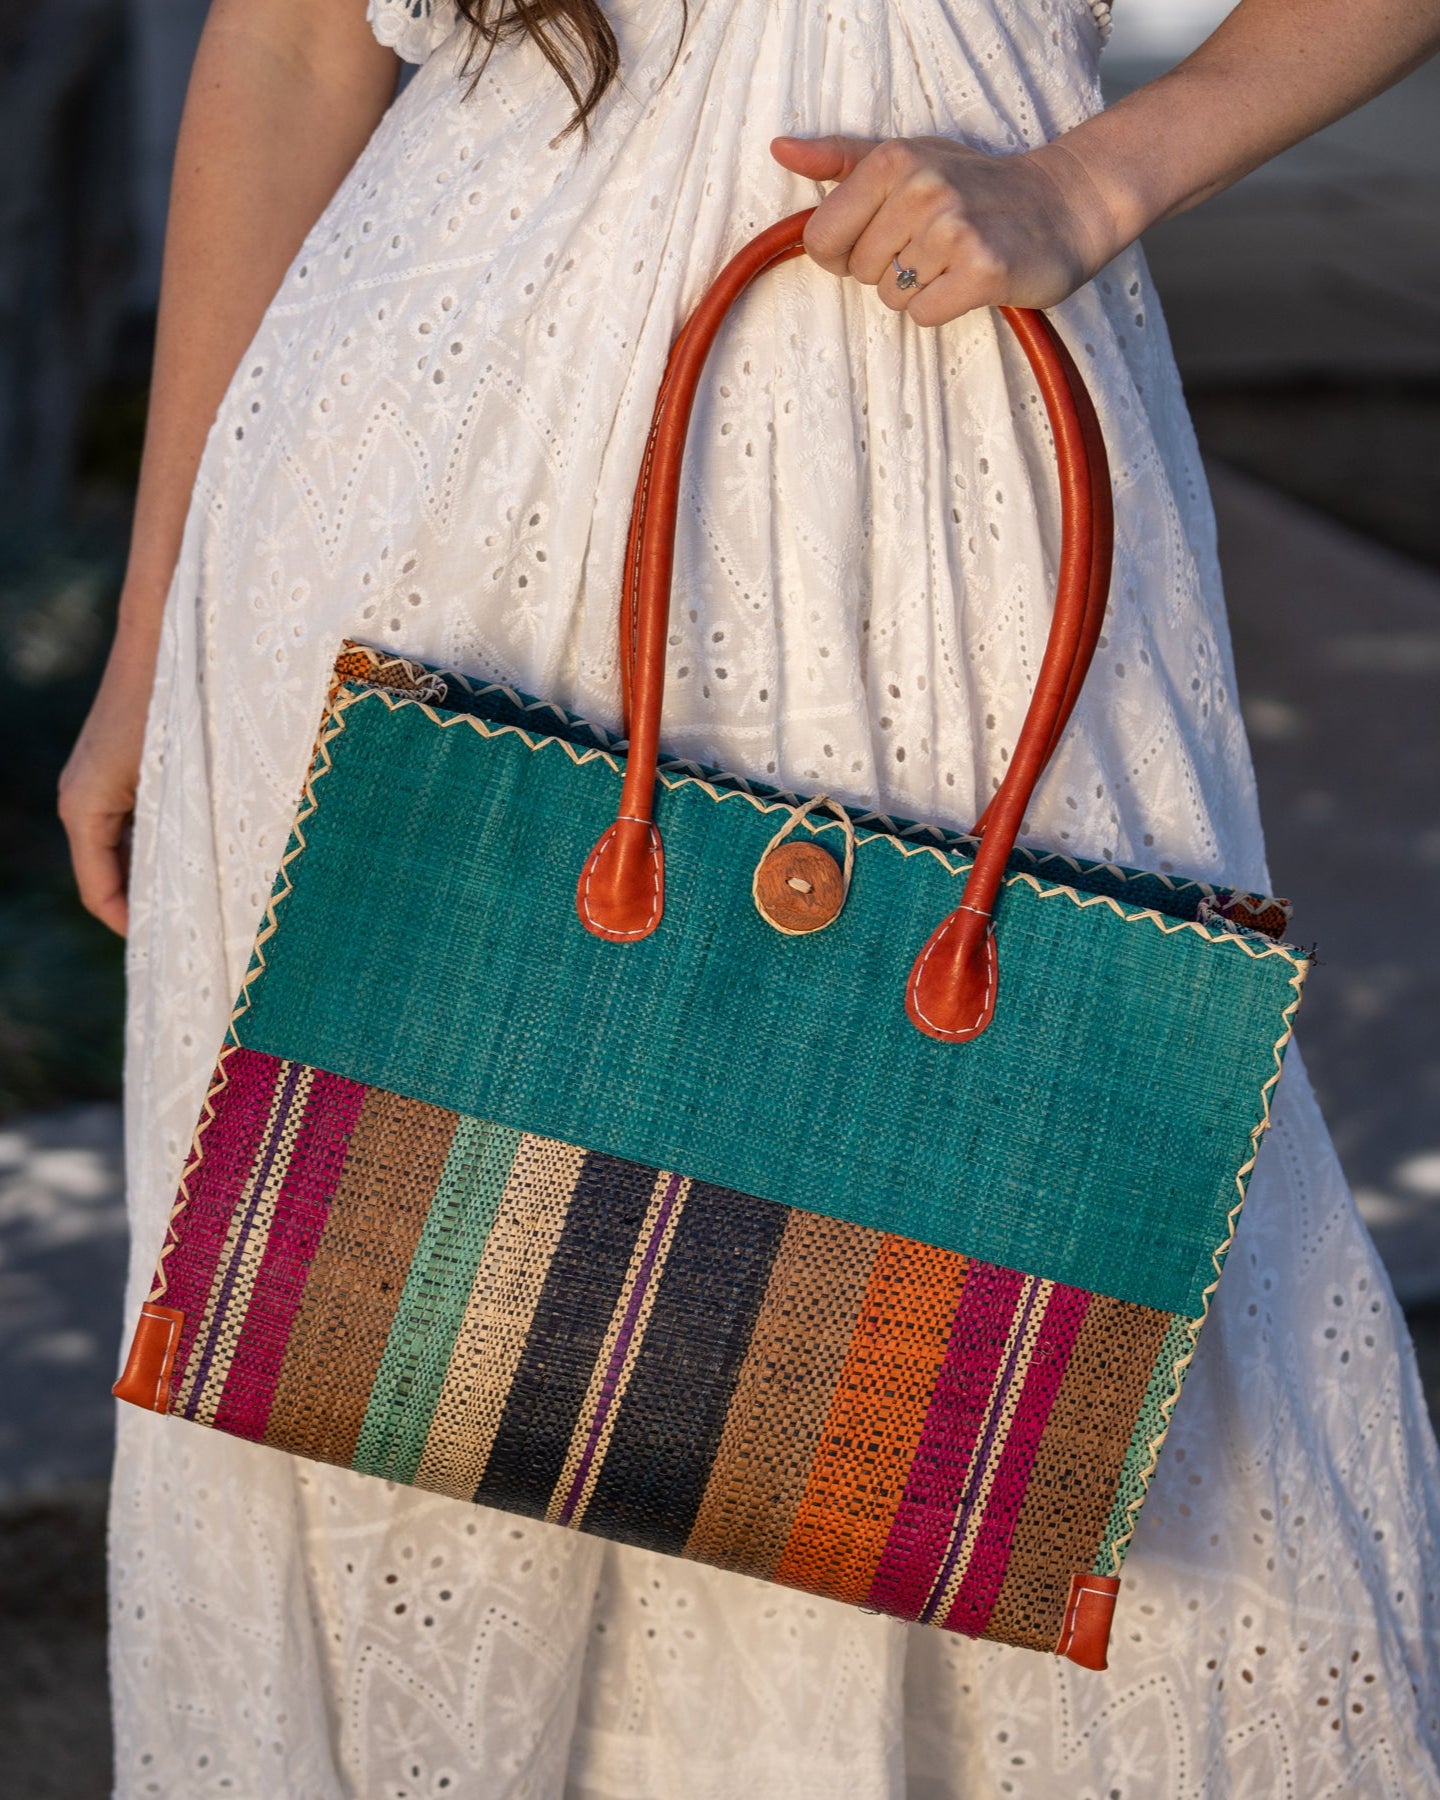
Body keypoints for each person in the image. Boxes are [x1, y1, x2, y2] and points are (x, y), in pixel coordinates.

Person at [61, 0, 1440, 1792]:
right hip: (403, 515)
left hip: (939, 489)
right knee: (395, 1340)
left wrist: (1100, 179)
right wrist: (156, 623)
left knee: (1005, 1331)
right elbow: (291, 48)